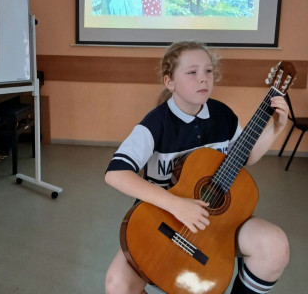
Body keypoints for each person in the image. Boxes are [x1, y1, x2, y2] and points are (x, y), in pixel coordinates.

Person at [105, 41, 290, 294]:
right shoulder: (155, 124)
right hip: (162, 222)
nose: (203, 78)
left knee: (274, 245)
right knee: (118, 284)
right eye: (192, 72)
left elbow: (243, 157)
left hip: (216, 224)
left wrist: (276, 127)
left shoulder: (223, 115)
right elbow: (116, 174)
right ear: (170, 82)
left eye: (208, 71)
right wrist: (177, 205)